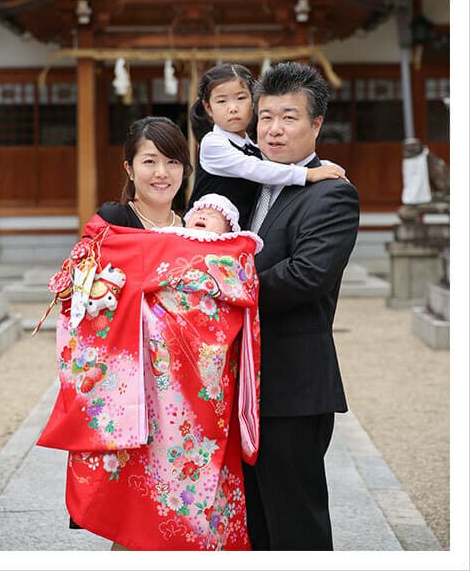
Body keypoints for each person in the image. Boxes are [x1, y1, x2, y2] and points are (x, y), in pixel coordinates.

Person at [37, 117, 262, 550]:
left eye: (173, 162)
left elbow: (230, 297)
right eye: (150, 161)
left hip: (194, 397)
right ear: (128, 168)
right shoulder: (111, 224)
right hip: (132, 395)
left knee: (194, 509)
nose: (162, 173)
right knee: (135, 511)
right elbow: (83, 305)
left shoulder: (203, 228)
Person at [240, 61, 360, 551]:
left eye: (289, 117)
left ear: (316, 125)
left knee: (296, 523)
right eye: (265, 116)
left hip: (293, 384)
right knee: (253, 520)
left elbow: (307, 276)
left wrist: (224, 289)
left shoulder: (332, 194)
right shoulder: (247, 186)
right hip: (243, 384)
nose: (273, 129)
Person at [187, 62, 346, 228]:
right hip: (203, 230)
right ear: (208, 108)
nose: (233, 108)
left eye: (241, 98)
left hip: (233, 237)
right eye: (221, 101)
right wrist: (308, 174)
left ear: (253, 104)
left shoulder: (250, 147)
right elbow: (255, 168)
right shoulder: (213, 144)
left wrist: (325, 167)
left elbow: (273, 166)